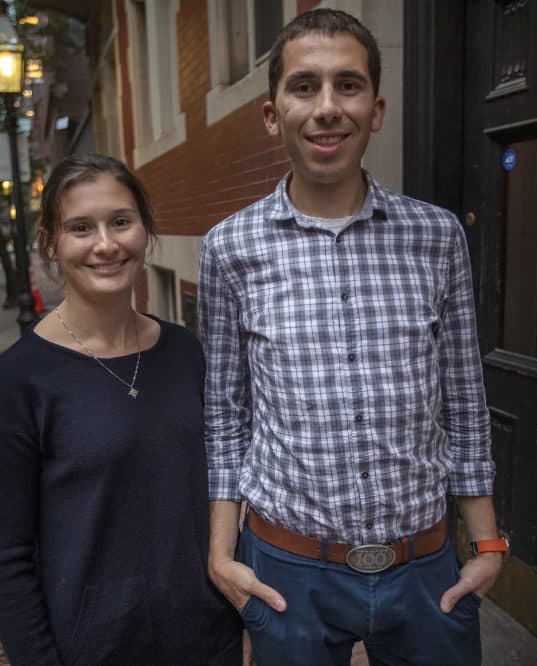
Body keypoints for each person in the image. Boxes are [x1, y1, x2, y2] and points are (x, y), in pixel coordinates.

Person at [199, 9, 507, 665]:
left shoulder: (437, 236)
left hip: (425, 567)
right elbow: (226, 411)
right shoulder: (229, 249)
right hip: (291, 573)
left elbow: (463, 394)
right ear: (271, 112)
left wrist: (487, 545)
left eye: (349, 85)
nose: (327, 108)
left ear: (377, 109)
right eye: (304, 87)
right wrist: (221, 554)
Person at [0, 154, 241, 665]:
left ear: (144, 230)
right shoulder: (16, 385)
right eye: (80, 228)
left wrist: (245, 626)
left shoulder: (186, 354)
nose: (106, 244)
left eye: (121, 221)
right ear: (51, 244)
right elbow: (6, 565)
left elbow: (225, 487)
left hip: (208, 642)